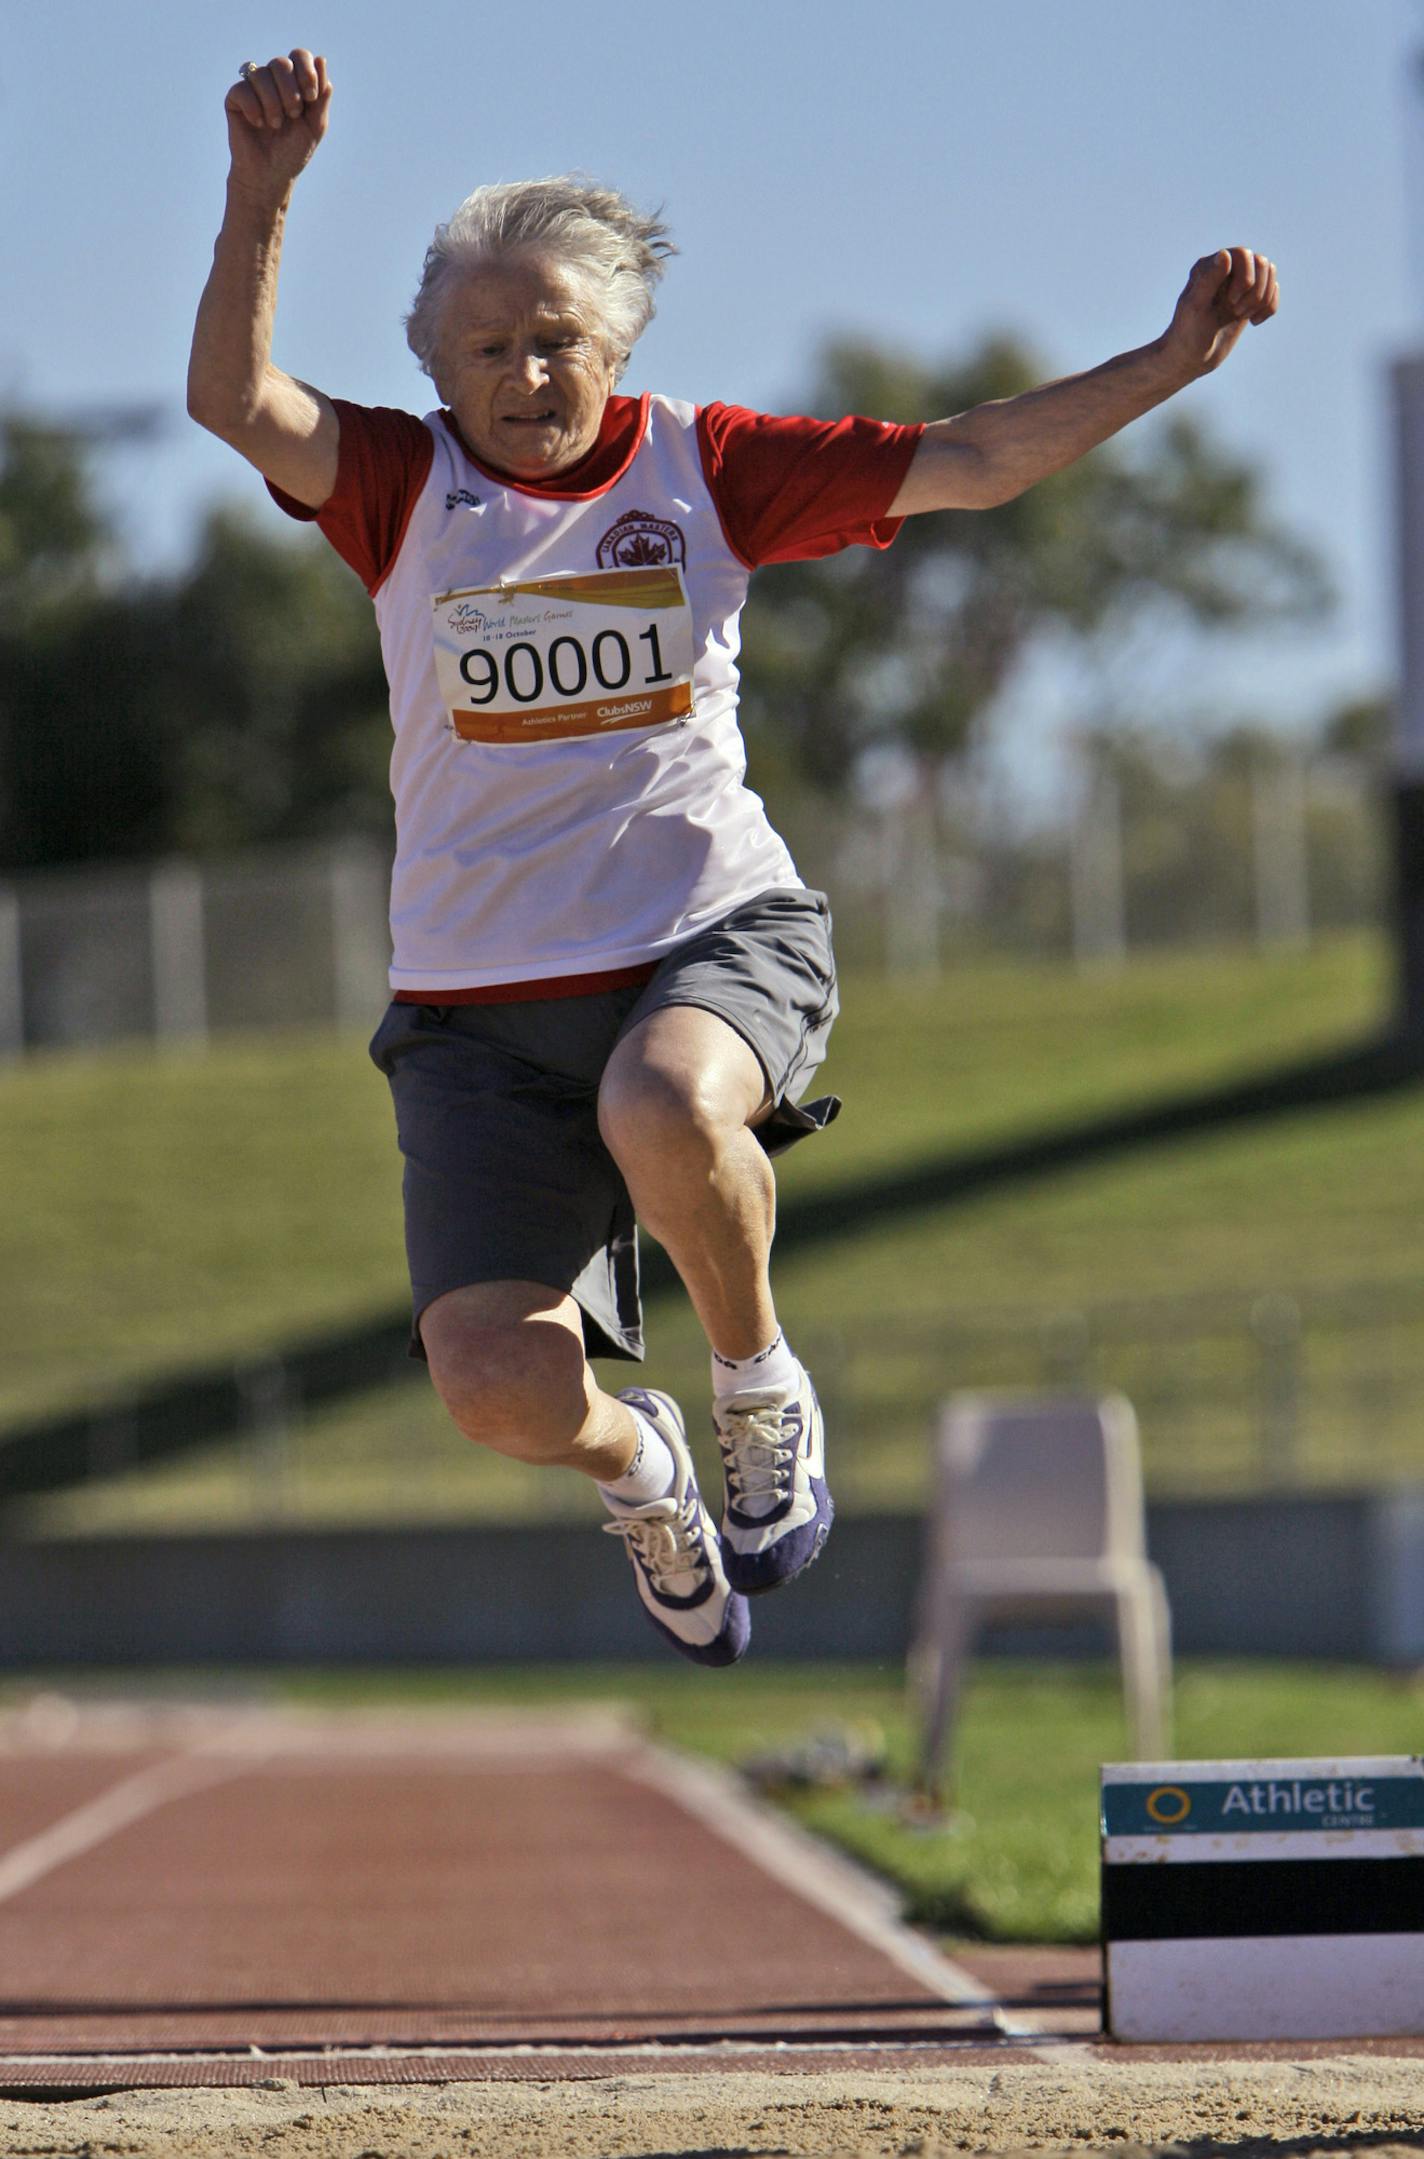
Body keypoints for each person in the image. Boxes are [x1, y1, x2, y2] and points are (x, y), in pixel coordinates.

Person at [188, 48, 1278, 1669]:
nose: (526, 375)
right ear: (437, 364)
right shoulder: (401, 487)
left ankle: (760, 1385)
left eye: (557, 339)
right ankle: (647, 1470)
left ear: (618, 342)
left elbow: (972, 459)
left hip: (708, 937)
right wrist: (263, 197)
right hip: (478, 1019)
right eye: (488, 348)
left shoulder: (705, 467)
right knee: (492, 1383)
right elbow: (234, 405)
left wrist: (1166, 366)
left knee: (663, 1100)